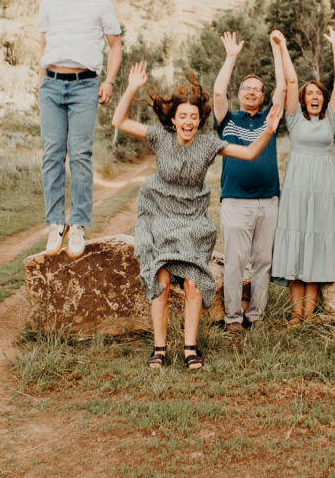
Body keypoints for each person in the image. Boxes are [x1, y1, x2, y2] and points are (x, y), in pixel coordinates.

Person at [112, 62, 283, 370]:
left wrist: (269, 129)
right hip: (160, 214)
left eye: (194, 116)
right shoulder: (160, 138)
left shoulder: (207, 144)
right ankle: (159, 349)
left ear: (199, 119)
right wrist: (132, 87)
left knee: (192, 283)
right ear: (174, 119)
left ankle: (190, 348)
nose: (188, 122)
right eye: (183, 117)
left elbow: (248, 153)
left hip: (193, 219)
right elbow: (119, 120)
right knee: (161, 280)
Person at [38, 0, 122, 258]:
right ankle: (55, 224)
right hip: (51, 85)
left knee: (80, 155)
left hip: (85, 84)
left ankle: (79, 225)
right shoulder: (49, 4)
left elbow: (115, 46)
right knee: (51, 154)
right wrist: (41, 81)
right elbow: (43, 44)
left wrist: (109, 81)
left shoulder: (101, 4)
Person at [270, 28, 335, 324]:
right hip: (297, 185)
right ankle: (295, 314)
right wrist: (283, 45)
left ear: (323, 100)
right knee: (296, 239)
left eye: (318, 94)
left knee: (315, 242)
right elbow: (290, 81)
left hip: (324, 187)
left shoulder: (330, 119)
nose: (314, 96)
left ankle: (309, 313)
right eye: (309, 94)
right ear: (302, 100)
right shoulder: (293, 118)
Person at [212, 31, 286, 334]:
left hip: (268, 200)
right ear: (239, 93)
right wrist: (230, 57)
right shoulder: (227, 121)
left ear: (263, 96)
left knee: (262, 262)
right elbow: (217, 93)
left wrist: (277, 49)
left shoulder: (270, 119)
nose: (252, 92)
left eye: (257, 89)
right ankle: (232, 319)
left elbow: (283, 88)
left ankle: (255, 316)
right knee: (234, 261)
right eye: (247, 88)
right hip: (235, 201)